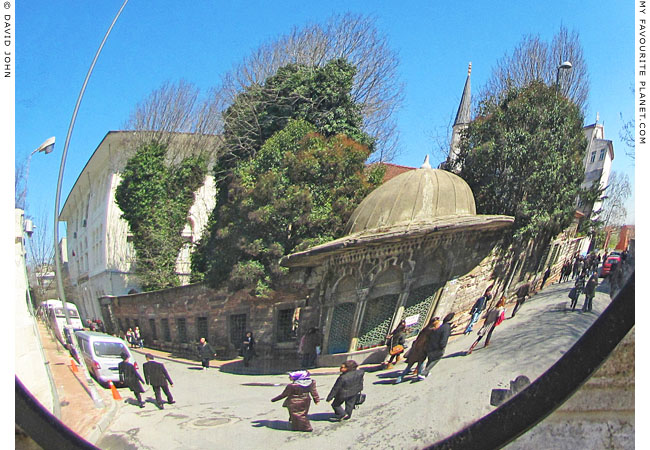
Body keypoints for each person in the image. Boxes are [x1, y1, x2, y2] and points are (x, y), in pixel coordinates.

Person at [394, 318, 439, 384]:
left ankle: (400, 378)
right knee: (420, 363)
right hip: (421, 351)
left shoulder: (424, 330)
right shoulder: (431, 331)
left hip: (415, 350)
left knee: (409, 366)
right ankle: (419, 375)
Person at [418, 312, 454, 380]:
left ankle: (426, 373)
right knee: (436, 359)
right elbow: (444, 339)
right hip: (437, 348)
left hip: (430, 346)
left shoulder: (441, 326)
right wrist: (442, 347)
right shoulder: (446, 328)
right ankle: (423, 373)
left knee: (430, 359)